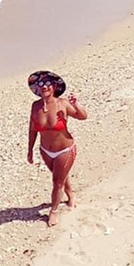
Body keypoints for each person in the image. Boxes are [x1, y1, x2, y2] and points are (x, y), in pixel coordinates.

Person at [26, 70, 87, 226]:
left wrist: (76, 105)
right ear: (37, 89)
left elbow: (83, 116)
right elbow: (33, 129)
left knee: (57, 181)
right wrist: (30, 150)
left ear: (54, 87)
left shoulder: (63, 104)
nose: (44, 86)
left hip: (65, 150)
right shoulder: (35, 106)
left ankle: (53, 211)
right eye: (40, 84)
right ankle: (70, 195)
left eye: (47, 84)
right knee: (60, 176)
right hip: (45, 151)